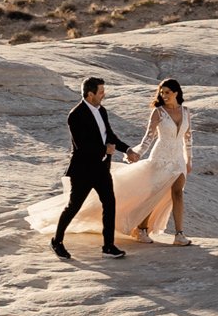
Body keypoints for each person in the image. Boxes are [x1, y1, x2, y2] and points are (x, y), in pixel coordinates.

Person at [49, 75, 135, 260]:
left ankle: (108, 247)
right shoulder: (75, 115)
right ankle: (57, 241)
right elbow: (82, 145)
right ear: (90, 94)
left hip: (102, 168)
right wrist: (105, 148)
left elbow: (109, 135)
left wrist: (127, 149)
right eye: (101, 92)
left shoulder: (101, 110)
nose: (104, 94)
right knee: (74, 206)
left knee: (110, 204)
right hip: (83, 170)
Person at [127, 79, 193, 245]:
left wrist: (189, 160)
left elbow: (188, 137)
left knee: (178, 194)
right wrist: (137, 153)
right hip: (161, 156)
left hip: (178, 158)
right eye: (162, 93)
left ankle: (179, 235)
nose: (164, 96)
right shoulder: (158, 112)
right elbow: (148, 137)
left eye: (167, 92)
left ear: (176, 93)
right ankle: (141, 229)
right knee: (154, 193)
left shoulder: (185, 111)